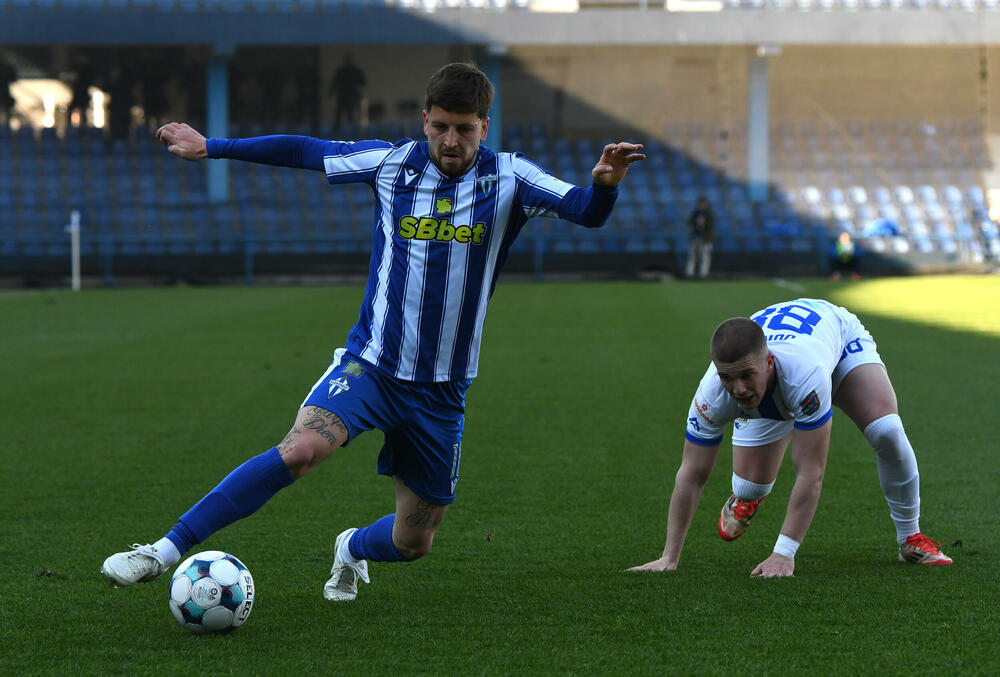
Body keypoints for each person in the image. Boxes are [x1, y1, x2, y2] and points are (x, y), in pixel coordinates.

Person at [100, 63, 645, 600]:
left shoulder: (510, 177)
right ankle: (162, 550)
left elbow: (585, 211)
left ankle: (352, 547)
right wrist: (212, 146)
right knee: (300, 450)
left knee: (414, 541)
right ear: (424, 119)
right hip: (372, 367)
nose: (450, 140)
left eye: (465, 128)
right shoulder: (390, 165)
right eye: (440, 126)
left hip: (442, 390)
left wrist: (604, 185)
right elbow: (304, 149)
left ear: (485, 125)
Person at [629, 298, 951, 578]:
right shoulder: (712, 395)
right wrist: (669, 557)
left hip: (836, 344)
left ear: (768, 363)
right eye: (727, 377)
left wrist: (784, 553)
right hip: (783, 375)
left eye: (746, 375)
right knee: (748, 486)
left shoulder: (804, 376)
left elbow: (811, 471)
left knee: (887, 431)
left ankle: (910, 539)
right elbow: (692, 473)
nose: (738, 388)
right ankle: (747, 496)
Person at [329, 54, 366, 128]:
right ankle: (337, 130)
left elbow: (362, 82)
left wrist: (359, 92)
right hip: (343, 94)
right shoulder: (342, 70)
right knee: (339, 114)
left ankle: (350, 129)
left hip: (352, 95)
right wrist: (331, 92)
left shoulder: (355, 71)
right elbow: (336, 82)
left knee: (350, 113)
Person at [685, 196, 715, 279]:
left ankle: (703, 274)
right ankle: (689, 274)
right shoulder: (696, 213)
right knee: (692, 256)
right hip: (695, 237)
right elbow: (690, 223)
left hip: (705, 238)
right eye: (700, 203)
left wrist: (704, 223)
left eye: (703, 203)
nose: (702, 205)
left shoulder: (709, 213)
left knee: (705, 256)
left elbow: (711, 225)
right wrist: (692, 226)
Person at [0, 57, 17, 125]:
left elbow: (13, 79)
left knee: (7, 110)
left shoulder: (6, 68)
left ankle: (6, 125)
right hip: (5, 95)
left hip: (5, 95)